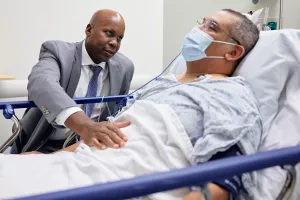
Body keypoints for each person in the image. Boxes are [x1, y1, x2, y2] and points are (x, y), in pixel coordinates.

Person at [2, 9, 261, 200]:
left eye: (211, 27)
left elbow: (225, 178)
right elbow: (46, 88)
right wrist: (51, 159)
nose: (198, 30)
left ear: (233, 52)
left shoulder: (229, 94)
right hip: (71, 158)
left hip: (110, 177)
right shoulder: (161, 84)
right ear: (88, 30)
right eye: (201, 23)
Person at [11, 9, 135, 154]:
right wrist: (85, 125)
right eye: (108, 33)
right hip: (43, 146)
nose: (114, 43)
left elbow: (116, 114)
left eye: (119, 38)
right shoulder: (58, 52)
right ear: (89, 30)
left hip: (89, 147)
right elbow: (41, 83)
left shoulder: (124, 68)